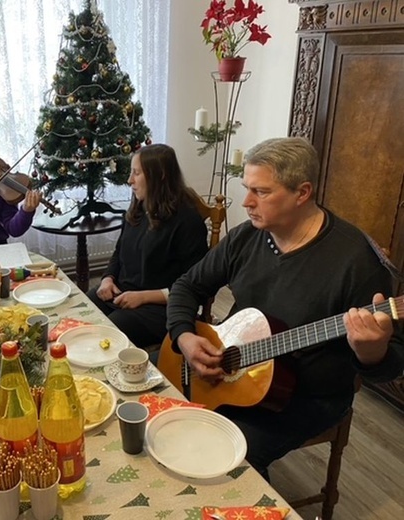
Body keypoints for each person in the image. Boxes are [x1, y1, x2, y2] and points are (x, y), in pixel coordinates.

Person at [166, 137, 404, 478]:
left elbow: (393, 363)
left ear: (302, 193)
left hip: (304, 398)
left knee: (225, 462)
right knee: (170, 427)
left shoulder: (357, 262)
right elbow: (186, 286)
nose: (246, 202)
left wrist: (372, 351)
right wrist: (185, 337)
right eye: (246, 188)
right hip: (235, 373)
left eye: (261, 192)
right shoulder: (246, 237)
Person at [87, 144, 208, 350]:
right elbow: (119, 252)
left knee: (111, 334)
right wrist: (108, 278)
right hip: (124, 294)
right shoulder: (138, 207)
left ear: (158, 175)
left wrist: (143, 297)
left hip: (161, 307)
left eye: (136, 173)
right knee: (85, 308)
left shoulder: (187, 221)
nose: (129, 181)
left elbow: (197, 285)